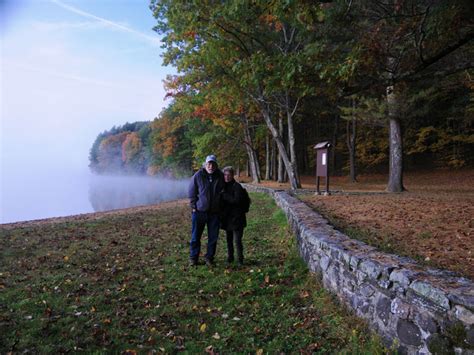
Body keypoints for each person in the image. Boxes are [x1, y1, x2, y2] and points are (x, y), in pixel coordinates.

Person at [188, 154, 225, 267]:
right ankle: (194, 258)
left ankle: (209, 258)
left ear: (216, 165)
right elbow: (191, 191)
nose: (210, 166)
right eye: (209, 163)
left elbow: (224, 192)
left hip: (214, 213)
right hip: (199, 212)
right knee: (195, 237)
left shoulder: (220, 176)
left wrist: (221, 207)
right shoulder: (198, 175)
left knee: (213, 237)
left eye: (213, 163)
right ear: (205, 164)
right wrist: (194, 207)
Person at [220, 166, 247, 266]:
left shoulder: (237, 187)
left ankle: (240, 259)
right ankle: (230, 257)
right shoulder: (223, 186)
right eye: (225, 175)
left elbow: (236, 201)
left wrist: (224, 195)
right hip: (227, 218)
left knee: (237, 240)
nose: (226, 177)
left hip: (237, 218)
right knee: (229, 239)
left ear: (232, 175)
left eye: (229, 175)